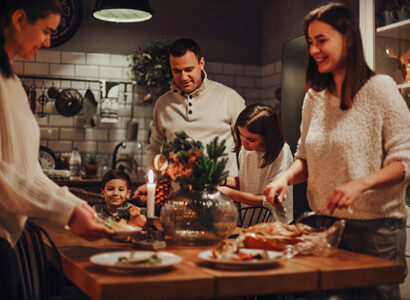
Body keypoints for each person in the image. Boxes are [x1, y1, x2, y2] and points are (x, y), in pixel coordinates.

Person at [264, 3, 410, 299]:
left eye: (322, 40)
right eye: (310, 42)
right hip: (325, 227)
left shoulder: (381, 89)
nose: (314, 49)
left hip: (376, 230)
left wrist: (361, 183)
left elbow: (404, 163)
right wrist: (284, 178)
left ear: (349, 39)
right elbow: (305, 157)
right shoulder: (314, 99)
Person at [0, 1, 112, 298]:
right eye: (47, 31)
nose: (49, 41)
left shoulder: (9, 79)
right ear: (19, 19)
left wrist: (71, 203)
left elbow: (27, 171)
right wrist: (68, 213)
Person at [135, 38, 245, 198]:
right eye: (177, 71)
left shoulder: (229, 98)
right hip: (179, 197)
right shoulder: (163, 104)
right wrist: (152, 182)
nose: (184, 77)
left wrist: (243, 183)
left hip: (223, 197)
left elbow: (247, 149)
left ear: (201, 63)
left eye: (189, 69)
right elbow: (155, 149)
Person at [218, 103, 293, 225]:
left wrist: (231, 194)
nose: (243, 142)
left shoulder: (281, 152)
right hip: (250, 220)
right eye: (240, 135)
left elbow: (270, 199)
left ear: (268, 137)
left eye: (251, 139)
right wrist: (222, 181)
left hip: (275, 223)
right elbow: (246, 182)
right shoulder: (247, 149)